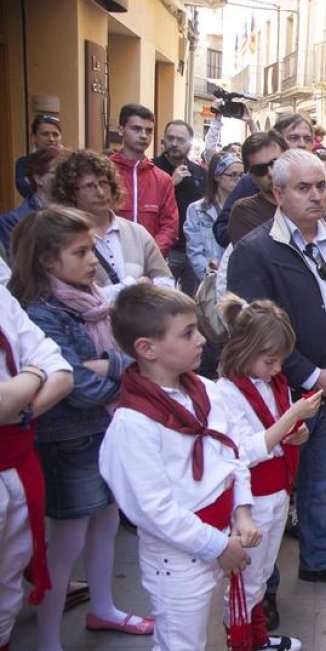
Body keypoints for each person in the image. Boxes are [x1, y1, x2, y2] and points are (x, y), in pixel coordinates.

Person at [227, 148, 326, 592]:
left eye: (321, 186)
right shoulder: (255, 252)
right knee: (271, 495)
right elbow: (254, 334)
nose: (316, 196)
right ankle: (262, 589)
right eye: (303, 188)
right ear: (278, 193)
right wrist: (311, 375)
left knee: (322, 484)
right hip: (283, 397)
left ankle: (318, 559)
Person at [8, 207, 155, 648]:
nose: (94, 259)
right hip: (69, 438)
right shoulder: (40, 310)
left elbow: (113, 367)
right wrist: (120, 369)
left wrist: (104, 366)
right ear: (48, 261)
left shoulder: (91, 299)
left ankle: (102, 608)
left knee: (105, 527)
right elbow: (80, 388)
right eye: (81, 251)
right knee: (65, 546)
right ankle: (49, 639)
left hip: (102, 430)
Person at [97, 283, 256, 651]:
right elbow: (153, 510)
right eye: (187, 333)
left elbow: (233, 453)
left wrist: (243, 511)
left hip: (223, 535)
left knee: (211, 634)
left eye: (197, 328)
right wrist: (216, 545)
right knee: (181, 642)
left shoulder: (204, 389)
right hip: (180, 559)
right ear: (146, 348)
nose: (201, 339)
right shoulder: (132, 426)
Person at [217, 295, 322, 651]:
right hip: (252, 499)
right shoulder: (226, 393)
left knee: (260, 575)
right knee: (245, 580)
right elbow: (243, 452)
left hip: (277, 490)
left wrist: (296, 432)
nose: (277, 368)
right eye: (269, 361)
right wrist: (291, 419)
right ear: (244, 350)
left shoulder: (273, 383)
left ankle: (257, 639)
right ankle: (241, 643)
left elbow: (277, 435)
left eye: (280, 361)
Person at [0, 274, 74, 651]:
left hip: (16, 462)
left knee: (7, 584)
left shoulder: (1, 296)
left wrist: (20, 404)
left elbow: (60, 369)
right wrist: (33, 373)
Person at [52, 150, 173, 301]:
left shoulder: (136, 232)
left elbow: (166, 281)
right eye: (89, 186)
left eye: (104, 183)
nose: (101, 193)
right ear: (70, 193)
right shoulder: (66, 239)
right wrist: (135, 286)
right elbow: (78, 297)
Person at [215, 114, 326, 247]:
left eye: (307, 139)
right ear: (279, 142)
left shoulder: (325, 192)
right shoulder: (248, 190)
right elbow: (222, 231)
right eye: (293, 138)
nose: (301, 144)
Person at [109, 104, 178, 257]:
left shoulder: (162, 179)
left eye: (149, 131)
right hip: (110, 261)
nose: (143, 135)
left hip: (149, 263)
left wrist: (150, 256)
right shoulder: (104, 173)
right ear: (121, 130)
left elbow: (169, 226)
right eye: (136, 129)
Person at [154, 120, 208, 296]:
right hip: (165, 249)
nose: (174, 143)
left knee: (192, 300)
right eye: (170, 138)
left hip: (193, 249)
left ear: (190, 144)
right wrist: (170, 182)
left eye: (180, 139)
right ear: (163, 140)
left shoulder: (199, 172)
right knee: (161, 300)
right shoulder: (152, 168)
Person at [184, 152, 241, 285]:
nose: (239, 180)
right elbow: (194, 250)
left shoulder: (244, 209)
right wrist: (209, 273)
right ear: (217, 176)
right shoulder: (197, 209)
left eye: (241, 175)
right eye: (233, 175)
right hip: (209, 280)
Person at [0, 145, 66, 250]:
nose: (64, 177)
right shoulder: (13, 221)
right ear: (38, 178)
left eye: (66, 172)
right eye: (57, 172)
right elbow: (15, 264)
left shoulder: (77, 211)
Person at [228, 133, 288, 245]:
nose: (271, 173)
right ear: (250, 174)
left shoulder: (312, 202)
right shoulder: (244, 212)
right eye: (260, 170)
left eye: (276, 164)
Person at [14, 114, 63, 199]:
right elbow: (25, 190)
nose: (51, 139)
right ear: (34, 137)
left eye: (55, 135)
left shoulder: (69, 162)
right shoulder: (24, 163)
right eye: (45, 134)